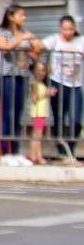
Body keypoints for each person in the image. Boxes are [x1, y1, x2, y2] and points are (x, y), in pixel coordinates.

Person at [0, 5, 38, 159]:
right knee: (8, 113)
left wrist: (34, 48)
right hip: (7, 75)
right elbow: (4, 48)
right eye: (21, 15)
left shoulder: (24, 33)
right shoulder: (3, 32)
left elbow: (35, 52)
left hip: (22, 75)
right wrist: (20, 39)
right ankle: (5, 152)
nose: (23, 18)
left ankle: (16, 149)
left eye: (24, 15)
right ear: (11, 17)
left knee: (18, 114)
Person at [42, 15, 84, 162]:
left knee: (76, 120)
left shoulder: (80, 41)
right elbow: (38, 46)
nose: (68, 32)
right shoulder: (54, 40)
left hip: (75, 85)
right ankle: (61, 151)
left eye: (71, 29)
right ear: (60, 28)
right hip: (57, 83)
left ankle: (70, 149)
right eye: (65, 29)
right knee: (59, 118)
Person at [28, 60, 54, 166]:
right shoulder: (34, 83)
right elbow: (34, 98)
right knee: (37, 135)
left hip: (41, 113)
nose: (41, 73)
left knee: (37, 134)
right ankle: (37, 156)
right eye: (38, 70)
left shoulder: (42, 83)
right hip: (38, 113)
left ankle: (35, 155)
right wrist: (47, 93)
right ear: (34, 71)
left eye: (43, 70)